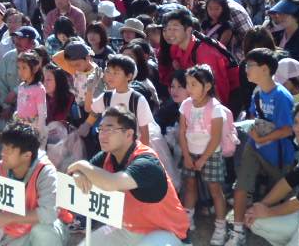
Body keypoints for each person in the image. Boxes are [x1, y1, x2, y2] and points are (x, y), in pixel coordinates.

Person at [68, 106, 189, 245]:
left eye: (109, 130)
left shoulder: (146, 162)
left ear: (128, 134)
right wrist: (78, 174)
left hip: (168, 233)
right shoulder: (107, 155)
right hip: (131, 228)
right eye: (100, 129)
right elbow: (76, 171)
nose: (102, 135)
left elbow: (111, 183)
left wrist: (81, 165)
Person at [228, 48, 296, 246]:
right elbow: (254, 116)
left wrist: (264, 138)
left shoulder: (282, 96)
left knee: (280, 194)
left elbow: (288, 130)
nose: (246, 69)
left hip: (279, 155)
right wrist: (252, 132)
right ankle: (238, 231)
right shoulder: (257, 92)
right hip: (255, 147)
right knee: (241, 184)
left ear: (265, 69)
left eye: (250, 65)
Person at [246, 102, 299, 246]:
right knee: (256, 221)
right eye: (296, 122)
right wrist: (261, 206)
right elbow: (288, 181)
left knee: (264, 216)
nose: (297, 128)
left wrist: (268, 212)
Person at [0, 121, 68, 246]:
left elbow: (49, 213)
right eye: (4, 147)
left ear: (27, 155)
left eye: (9, 150)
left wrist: (10, 218)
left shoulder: (45, 171)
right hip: (15, 233)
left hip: (46, 228)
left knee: (43, 231)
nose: (3, 153)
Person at [179, 66, 229, 245]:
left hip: (210, 155)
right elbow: (182, 131)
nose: (189, 88)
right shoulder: (186, 105)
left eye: (193, 84)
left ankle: (221, 226)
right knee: (190, 185)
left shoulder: (215, 108)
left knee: (215, 190)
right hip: (190, 152)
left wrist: (203, 159)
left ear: (207, 86)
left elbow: (215, 138)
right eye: (187, 84)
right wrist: (186, 155)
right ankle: (187, 219)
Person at [160, 9, 236, 107]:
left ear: (188, 30)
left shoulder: (206, 53)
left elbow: (220, 90)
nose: (169, 33)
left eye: (175, 29)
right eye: (168, 29)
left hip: (229, 97)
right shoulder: (175, 48)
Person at [86, 54, 152, 146]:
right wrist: (90, 89)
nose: (110, 76)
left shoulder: (137, 99)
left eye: (116, 73)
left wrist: (140, 153)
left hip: (133, 148)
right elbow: (89, 108)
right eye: (108, 71)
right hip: (111, 147)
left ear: (129, 76)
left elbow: (145, 134)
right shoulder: (107, 96)